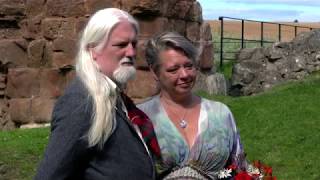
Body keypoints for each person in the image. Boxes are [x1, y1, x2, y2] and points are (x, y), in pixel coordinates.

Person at [35, 8, 160, 180]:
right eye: (121, 45)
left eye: (133, 44)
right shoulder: (81, 102)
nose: (131, 53)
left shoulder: (114, 97)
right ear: (93, 50)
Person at [138, 32, 247, 179]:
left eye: (189, 66)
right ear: (155, 72)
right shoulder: (140, 118)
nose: (184, 74)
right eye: (173, 69)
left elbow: (239, 169)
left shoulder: (221, 113)